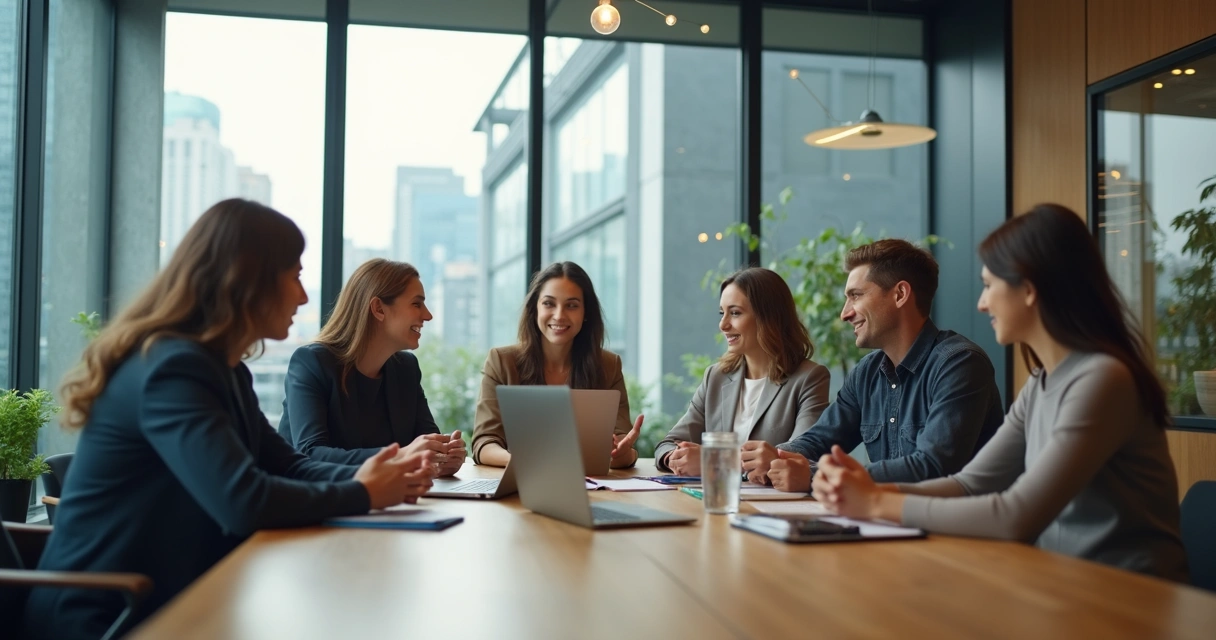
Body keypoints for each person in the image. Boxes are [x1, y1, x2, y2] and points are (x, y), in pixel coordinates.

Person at [25, 200, 436, 639]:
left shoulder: (226, 370)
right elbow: (243, 501)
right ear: (249, 281)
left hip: (183, 594)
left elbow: (288, 463)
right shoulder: (172, 368)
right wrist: (361, 492)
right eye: (295, 277)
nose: (303, 295)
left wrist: (375, 475)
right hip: (108, 615)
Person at [810, 205, 1188, 581]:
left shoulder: (1103, 379)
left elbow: (1016, 516)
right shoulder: (1040, 384)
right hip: (1060, 585)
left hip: (1129, 598)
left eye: (989, 285)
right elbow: (970, 483)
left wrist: (876, 502)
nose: (981, 302)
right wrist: (866, 489)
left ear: (1028, 288)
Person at [744, 239, 1004, 489]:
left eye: (856, 296)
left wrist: (814, 475)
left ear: (900, 294)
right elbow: (820, 439)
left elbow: (933, 467)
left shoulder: (959, 364)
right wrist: (774, 457)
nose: (845, 313)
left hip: (952, 531)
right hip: (889, 523)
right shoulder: (867, 372)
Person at [278, 258, 465, 475]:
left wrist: (444, 456)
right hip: (312, 502)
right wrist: (403, 455)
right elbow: (310, 453)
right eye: (416, 303)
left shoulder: (406, 368)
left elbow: (426, 444)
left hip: (386, 500)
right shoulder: (312, 363)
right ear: (378, 308)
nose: (428, 315)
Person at [654, 268, 831, 474]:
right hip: (714, 499)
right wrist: (676, 458)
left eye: (735, 313)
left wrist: (711, 460)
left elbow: (800, 456)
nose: (723, 324)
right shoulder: (716, 376)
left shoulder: (809, 378)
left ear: (768, 317)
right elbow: (668, 443)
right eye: (722, 313)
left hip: (772, 504)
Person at [472, 261, 642, 468]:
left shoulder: (608, 365)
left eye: (572, 305)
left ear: (586, 312)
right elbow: (484, 443)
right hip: (519, 484)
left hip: (590, 488)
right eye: (549, 303)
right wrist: (526, 462)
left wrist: (623, 454)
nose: (559, 315)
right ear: (535, 308)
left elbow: (622, 447)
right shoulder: (502, 361)